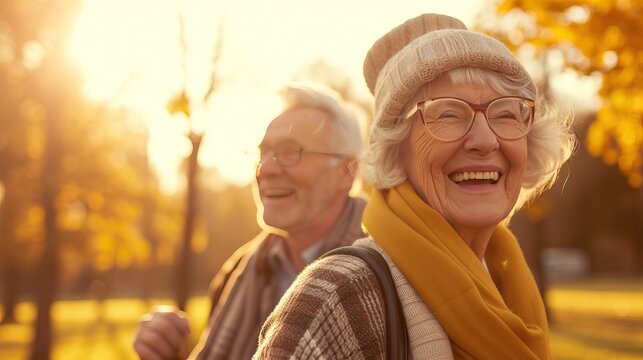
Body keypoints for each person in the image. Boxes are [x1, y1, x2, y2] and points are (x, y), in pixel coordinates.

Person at [254, 13, 576, 359]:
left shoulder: (506, 287)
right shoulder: (338, 295)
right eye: (448, 114)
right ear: (396, 150)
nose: (485, 140)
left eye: (506, 114)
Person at [133, 82, 367, 360]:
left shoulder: (384, 275)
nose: (266, 169)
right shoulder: (236, 274)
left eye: (291, 151)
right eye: (262, 153)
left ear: (346, 171)